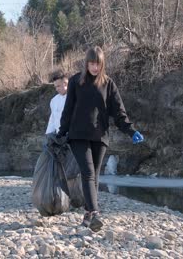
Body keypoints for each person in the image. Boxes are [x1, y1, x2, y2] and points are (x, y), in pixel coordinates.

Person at [57, 46, 144, 232]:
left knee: (94, 176)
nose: (95, 67)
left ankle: (88, 214)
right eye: (92, 63)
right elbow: (68, 110)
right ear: (86, 63)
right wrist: (61, 133)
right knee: (88, 172)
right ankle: (95, 213)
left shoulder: (108, 84)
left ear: (102, 64)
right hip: (78, 135)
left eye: (98, 64)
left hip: (100, 136)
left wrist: (131, 131)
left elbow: (119, 112)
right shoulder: (75, 82)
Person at [45, 70, 69, 135]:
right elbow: (52, 120)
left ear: (66, 84)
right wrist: (48, 135)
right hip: (60, 137)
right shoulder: (54, 101)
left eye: (58, 86)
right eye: (55, 87)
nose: (56, 89)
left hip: (73, 137)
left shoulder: (76, 98)